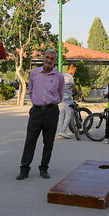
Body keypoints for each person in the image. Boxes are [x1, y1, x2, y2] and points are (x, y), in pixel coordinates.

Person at [16, 49, 64, 180]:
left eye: (52, 59)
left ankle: (44, 168)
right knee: (30, 141)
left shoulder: (59, 76)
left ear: (55, 61)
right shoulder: (34, 73)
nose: (49, 60)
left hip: (51, 112)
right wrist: (37, 102)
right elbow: (31, 90)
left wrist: (50, 104)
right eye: (47, 57)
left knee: (48, 143)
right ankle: (24, 169)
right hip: (36, 111)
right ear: (43, 58)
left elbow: (60, 94)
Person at [58, 63, 78, 139]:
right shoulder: (70, 77)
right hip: (67, 99)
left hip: (60, 98)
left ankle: (60, 130)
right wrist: (77, 92)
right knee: (70, 114)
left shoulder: (62, 75)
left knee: (61, 115)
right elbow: (73, 87)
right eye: (75, 69)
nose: (75, 71)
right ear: (71, 68)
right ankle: (62, 131)